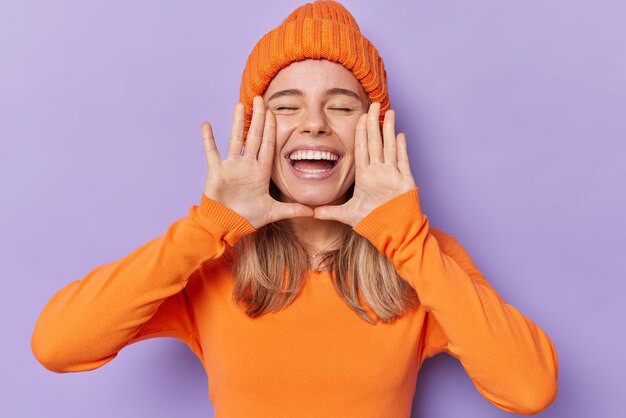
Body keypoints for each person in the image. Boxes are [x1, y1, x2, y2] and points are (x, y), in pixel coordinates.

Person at [31, 1, 559, 416]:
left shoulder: (422, 255)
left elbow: (529, 388)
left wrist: (406, 242)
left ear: (375, 130)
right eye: (285, 106)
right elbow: (59, 345)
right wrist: (207, 228)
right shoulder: (211, 262)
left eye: (342, 106)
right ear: (251, 130)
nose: (313, 124)